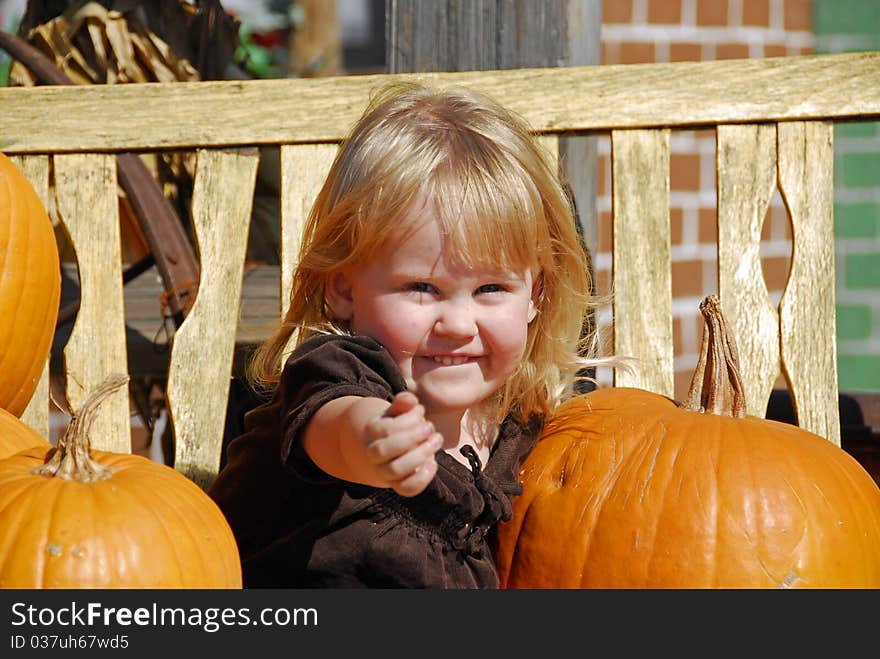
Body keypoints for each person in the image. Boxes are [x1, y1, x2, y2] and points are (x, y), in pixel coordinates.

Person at [208, 81, 608, 588]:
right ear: (344, 288)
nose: (458, 325)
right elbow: (335, 424)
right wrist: (376, 440)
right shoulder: (339, 371)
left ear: (537, 296)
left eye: (490, 288)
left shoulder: (513, 425)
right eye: (421, 287)